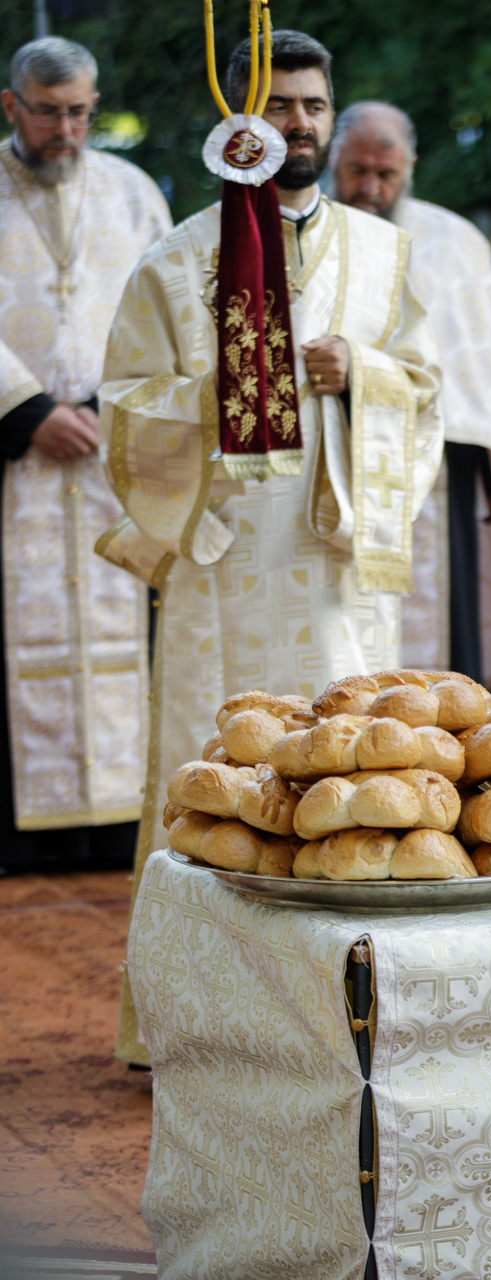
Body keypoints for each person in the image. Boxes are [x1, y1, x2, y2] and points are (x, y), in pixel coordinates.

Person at [99, 30, 440, 1063]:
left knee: (353, 781)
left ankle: (342, 1024)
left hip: (336, 567)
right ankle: (198, 1025)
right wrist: (230, 388)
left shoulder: (385, 252)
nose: (295, 124)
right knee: (219, 787)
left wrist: (362, 373)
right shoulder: (173, 261)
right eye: (276, 105)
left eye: (310, 106)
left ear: (332, 116)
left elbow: (425, 391)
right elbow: (125, 411)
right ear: (234, 122)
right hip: (224, 569)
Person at [0, 38, 169, 871]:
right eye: (48, 111)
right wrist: (26, 409)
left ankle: (113, 834)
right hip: (10, 464)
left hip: (114, 456)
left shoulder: (134, 193)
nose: (66, 129)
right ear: (11, 106)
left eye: (80, 112)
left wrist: (109, 405)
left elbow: (175, 313)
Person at [330, 100, 491, 687]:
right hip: (332, 465)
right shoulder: (308, 234)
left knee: (440, 651)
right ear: (333, 161)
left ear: (411, 165)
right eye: (358, 171)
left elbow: (490, 378)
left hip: (437, 474)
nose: (371, 188)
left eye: (388, 175)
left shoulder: (454, 242)